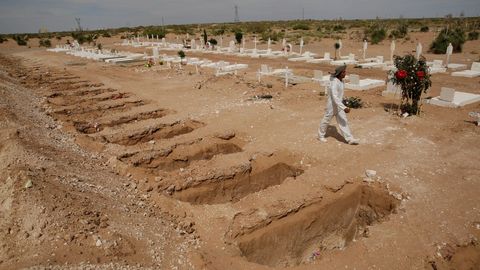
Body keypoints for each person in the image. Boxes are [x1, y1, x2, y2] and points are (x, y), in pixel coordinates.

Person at [318, 65, 359, 145]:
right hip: (332, 106)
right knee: (326, 120)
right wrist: (344, 108)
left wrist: (344, 103)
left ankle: (349, 139)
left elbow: (340, 95)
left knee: (343, 121)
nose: (345, 73)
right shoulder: (334, 83)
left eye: (345, 71)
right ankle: (320, 136)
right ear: (339, 73)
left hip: (339, 106)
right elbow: (335, 97)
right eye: (343, 72)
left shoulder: (342, 81)